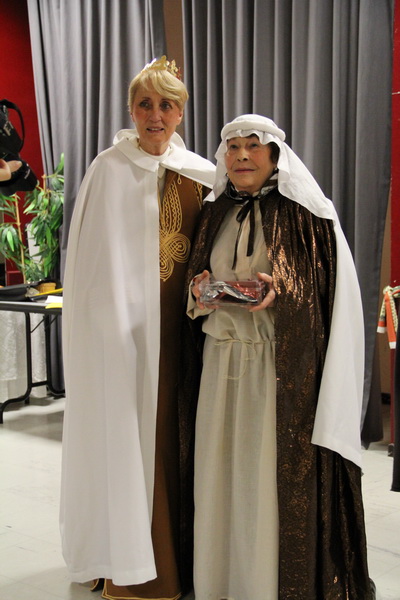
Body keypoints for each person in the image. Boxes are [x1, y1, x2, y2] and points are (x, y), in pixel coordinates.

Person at [187, 114, 375, 599]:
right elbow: (193, 282)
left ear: (274, 156)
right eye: (233, 147)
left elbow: (325, 297)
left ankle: (261, 585)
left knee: (262, 476)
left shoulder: (306, 214)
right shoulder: (213, 212)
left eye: (253, 146)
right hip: (220, 360)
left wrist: (284, 292)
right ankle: (220, 582)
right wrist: (199, 291)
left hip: (277, 369)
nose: (242, 156)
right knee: (218, 471)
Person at [60, 57, 215, 600]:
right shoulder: (109, 169)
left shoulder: (201, 173)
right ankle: (124, 560)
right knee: (126, 441)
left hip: (183, 338)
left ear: (180, 113)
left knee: (176, 439)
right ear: (131, 109)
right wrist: (108, 331)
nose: (155, 115)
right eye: (145, 104)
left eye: (166, 105)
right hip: (120, 339)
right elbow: (90, 267)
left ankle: (184, 561)